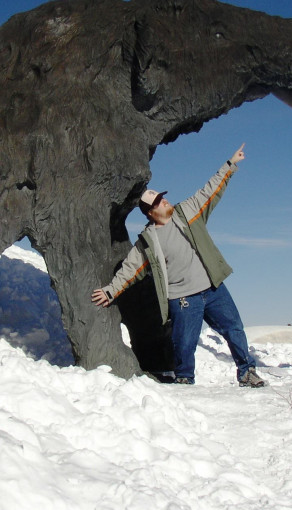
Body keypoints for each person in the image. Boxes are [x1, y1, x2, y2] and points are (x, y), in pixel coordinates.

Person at [91, 144, 266, 388]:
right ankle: (185, 380)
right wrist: (110, 290)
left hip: (213, 287)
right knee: (184, 344)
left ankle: (247, 372)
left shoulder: (187, 213)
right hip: (183, 298)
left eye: (163, 197)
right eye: (159, 202)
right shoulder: (148, 241)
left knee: (234, 328)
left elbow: (210, 190)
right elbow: (130, 269)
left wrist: (230, 164)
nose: (165, 201)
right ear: (151, 212)